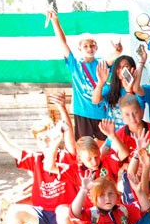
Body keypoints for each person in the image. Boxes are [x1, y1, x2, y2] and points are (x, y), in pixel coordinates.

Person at [46, 9, 113, 141]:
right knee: (84, 146)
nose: (89, 48)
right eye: (86, 46)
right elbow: (62, 43)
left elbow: (112, 59)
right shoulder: (75, 65)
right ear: (80, 49)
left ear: (96, 47)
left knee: (103, 148)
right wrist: (55, 21)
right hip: (82, 113)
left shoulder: (101, 63)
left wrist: (117, 52)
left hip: (101, 113)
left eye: (92, 45)